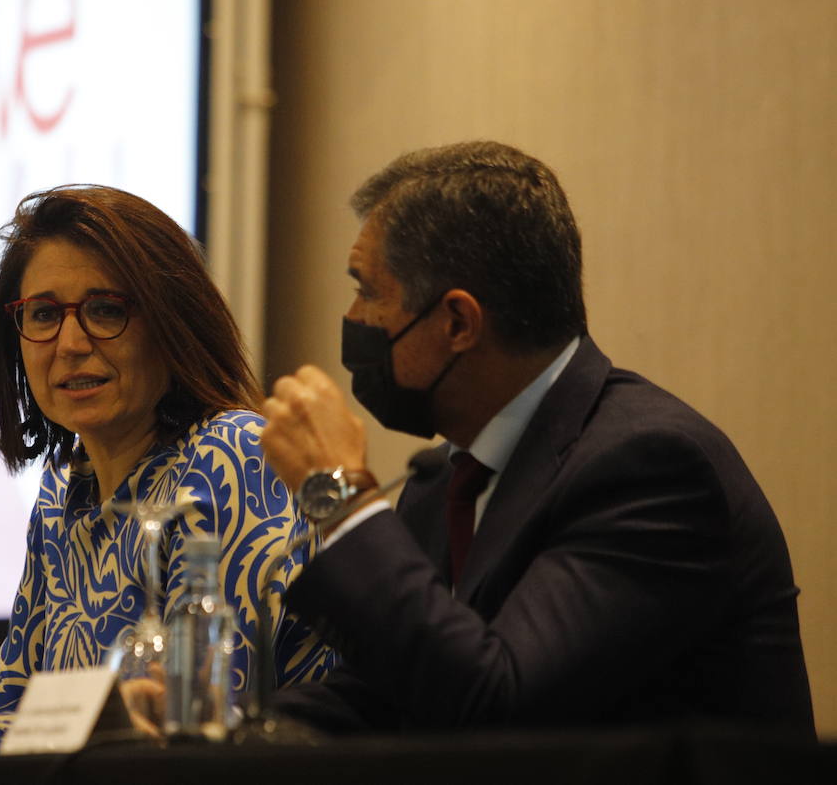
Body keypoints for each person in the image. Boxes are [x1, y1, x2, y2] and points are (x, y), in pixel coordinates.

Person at [260, 141, 814, 732]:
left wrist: (340, 499)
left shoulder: (649, 467)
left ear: (457, 322)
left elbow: (499, 704)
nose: (353, 317)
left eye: (368, 290)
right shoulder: (444, 476)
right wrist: (206, 729)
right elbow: (384, 697)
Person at [0, 185, 334, 754]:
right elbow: (12, 711)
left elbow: (197, 714)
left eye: (105, 310)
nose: (69, 343)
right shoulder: (63, 489)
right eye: (43, 314)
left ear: (171, 323)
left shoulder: (232, 455)